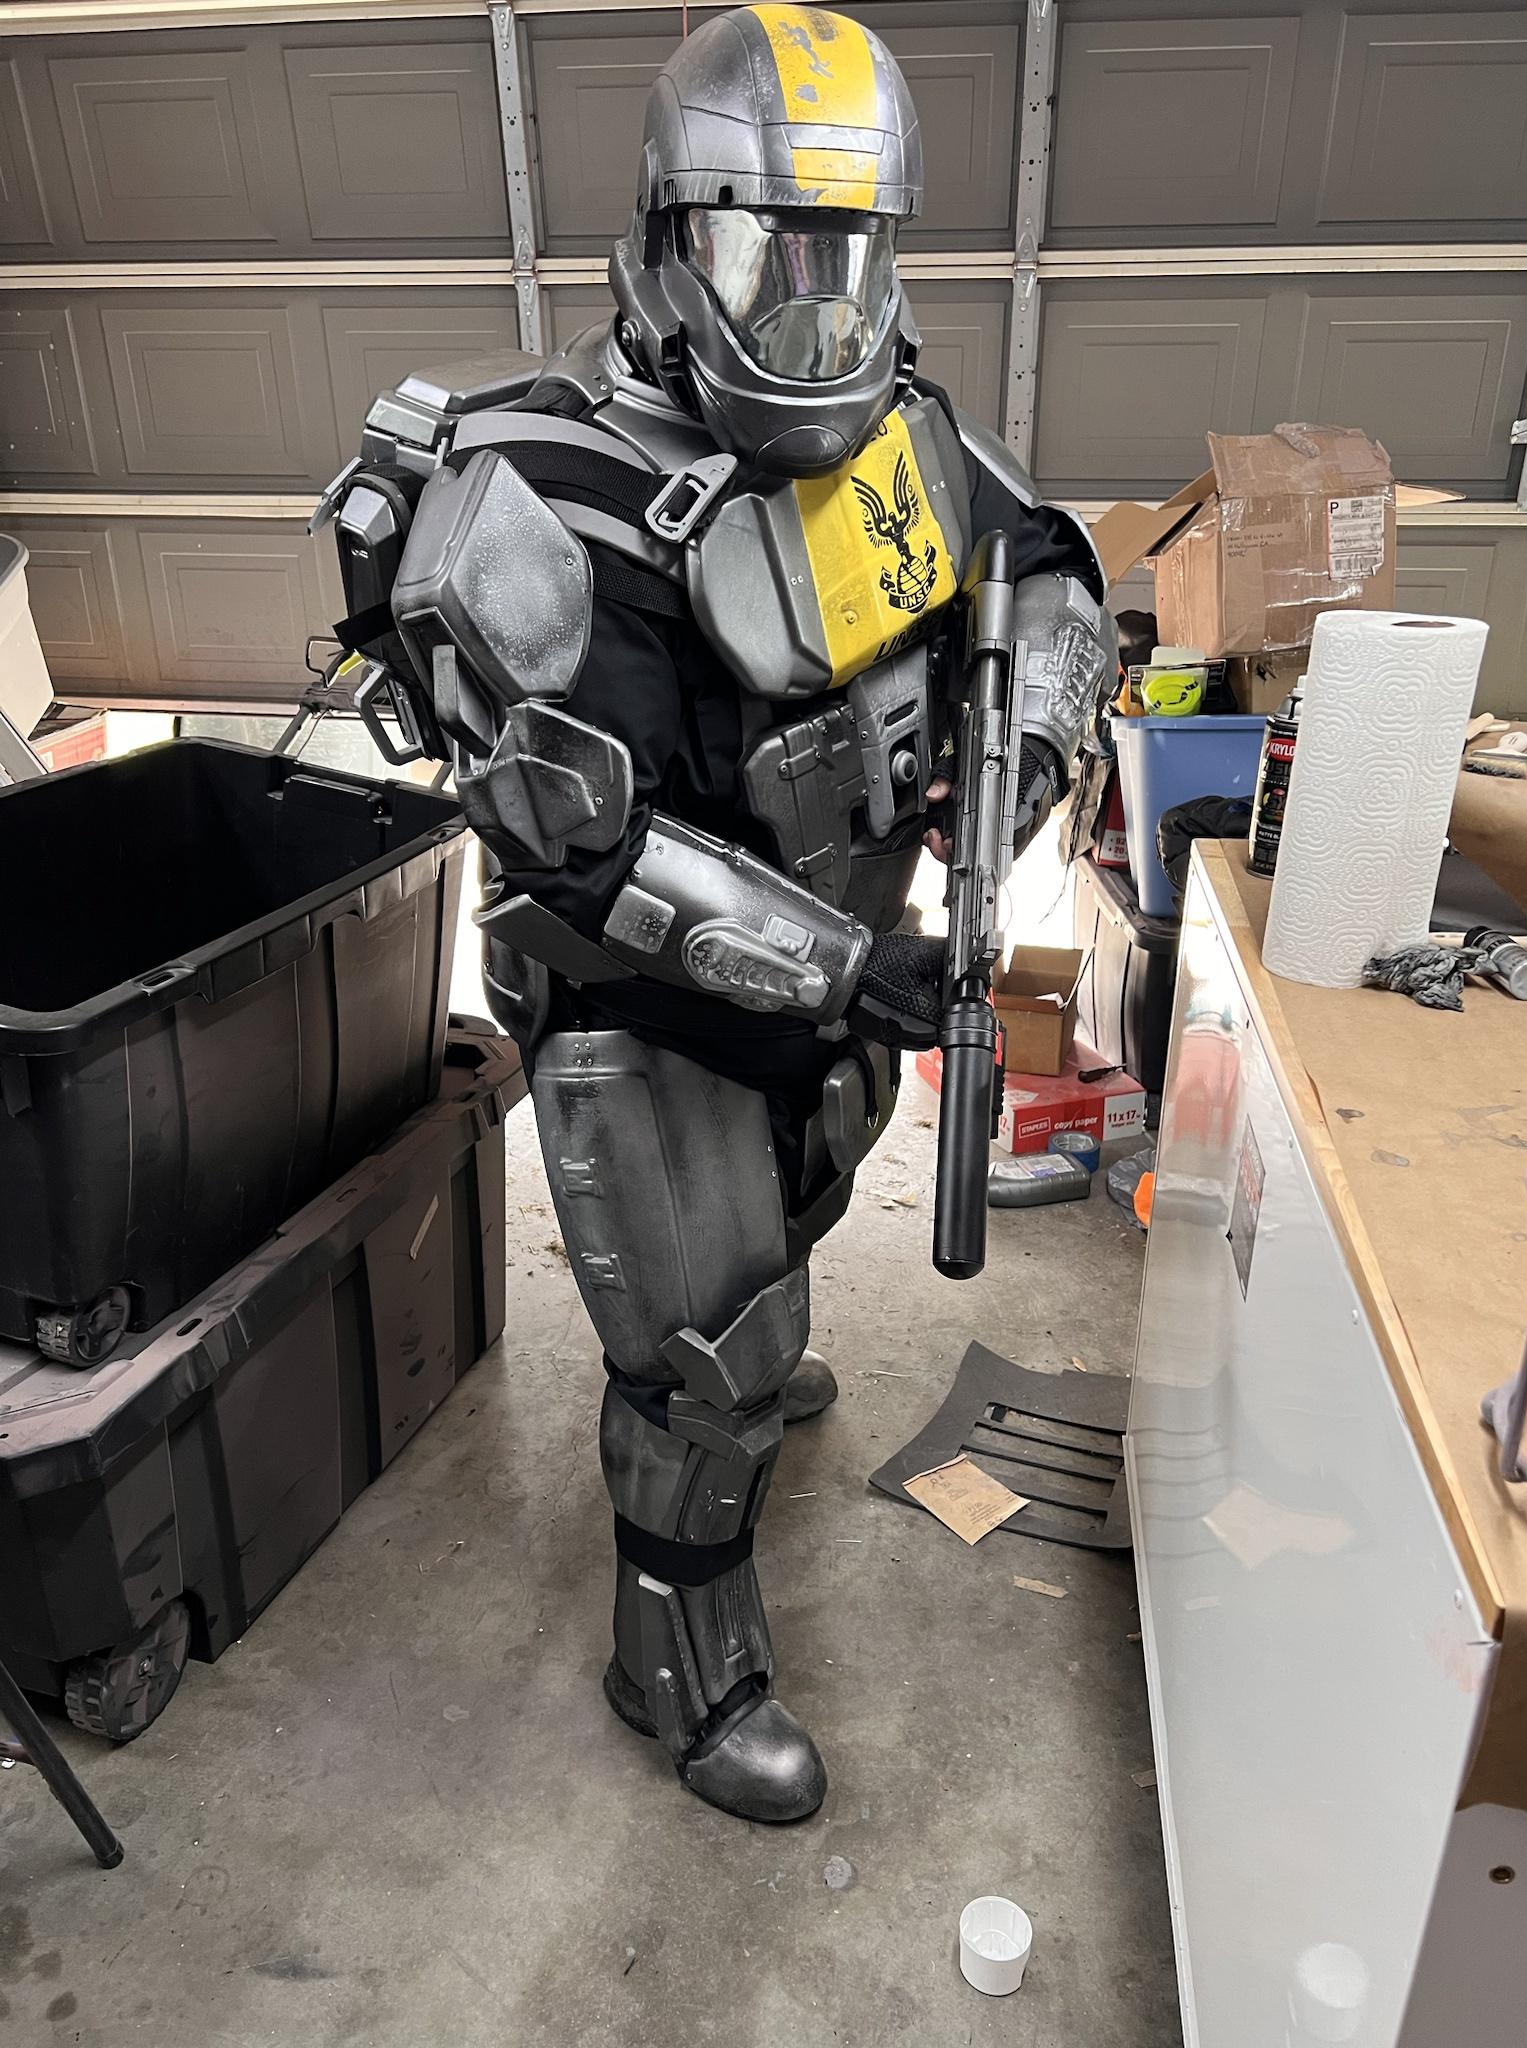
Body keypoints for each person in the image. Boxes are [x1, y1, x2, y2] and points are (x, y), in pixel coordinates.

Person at [323, 2, 1113, 1825]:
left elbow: (1048, 572)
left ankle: (761, 1348)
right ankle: (679, 1663)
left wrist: (1014, 762)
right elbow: (587, 857)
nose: (816, 302)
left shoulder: (892, 432)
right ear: (677, 237)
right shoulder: (535, 489)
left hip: (847, 972)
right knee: (702, 1368)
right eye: (771, 250)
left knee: (804, 1194)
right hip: (648, 1007)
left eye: (852, 254)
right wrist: (855, 964)